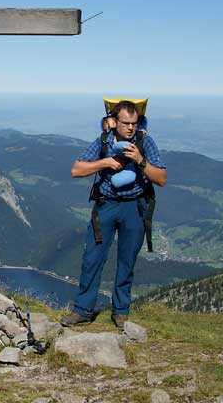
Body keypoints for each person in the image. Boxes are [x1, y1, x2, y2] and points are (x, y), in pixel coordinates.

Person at [61, 100, 167, 329]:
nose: (130, 128)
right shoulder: (103, 141)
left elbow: (161, 178)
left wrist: (140, 160)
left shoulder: (145, 142)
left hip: (134, 207)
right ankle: (82, 310)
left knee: (127, 260)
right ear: (114, 121)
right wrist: (105, 162)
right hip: (106, 205)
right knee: (92, 258)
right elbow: (76, 170)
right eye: (126, 123)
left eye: (134, 123)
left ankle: (120, 312)